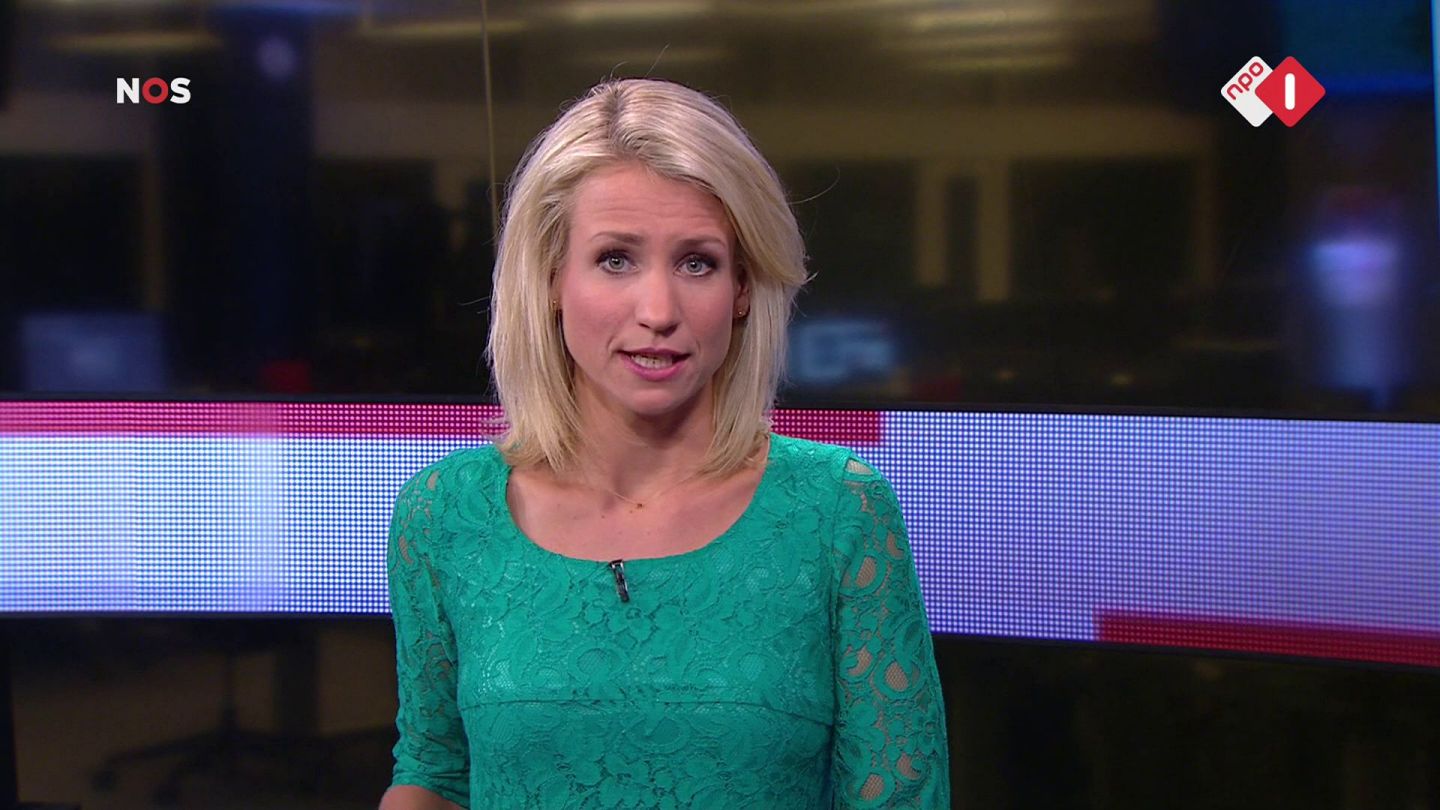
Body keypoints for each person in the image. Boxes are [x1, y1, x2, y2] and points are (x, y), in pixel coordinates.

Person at [379, 78, 950, 809]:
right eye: (616, 259)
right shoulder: (445, 513)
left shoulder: (838, 509)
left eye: (697, 263)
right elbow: (433, 773)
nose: (658, 310)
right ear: (551, 278)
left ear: (742, 288)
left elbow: (899, 796)